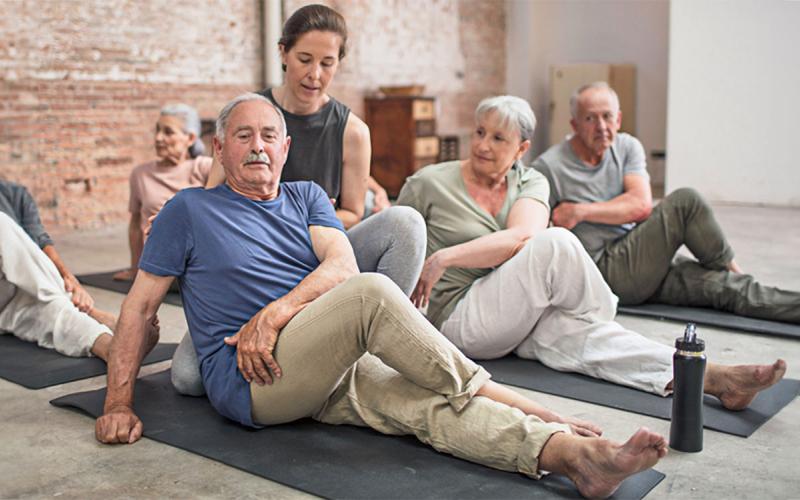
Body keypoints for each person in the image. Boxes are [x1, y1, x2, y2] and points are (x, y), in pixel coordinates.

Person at [95, 94, 669, 499]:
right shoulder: (189, 211)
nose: (258, 147)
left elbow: (340, 261)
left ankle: (570, 457)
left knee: (425, 408)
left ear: (286, 146)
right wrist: (118, 404)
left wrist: (276, 312)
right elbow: (140, 308)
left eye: (269, 135)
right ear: (219, 148)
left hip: (321, 359)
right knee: (373, 294)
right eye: (242, 136)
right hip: (255, 380)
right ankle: (528, 403)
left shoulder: (304, 197)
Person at [397, 95, 785, 408]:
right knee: (559, 243)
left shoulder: (530, 181)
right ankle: (601, 311)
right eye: (480, 132)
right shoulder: (430, 182)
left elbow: (521, 236)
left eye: (499, 138)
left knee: (595, 343)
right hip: (463, 318)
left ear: (521, 148)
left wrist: (445, 256)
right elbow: (397, 239)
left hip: (520, 312)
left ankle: (712, 378)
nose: (483, 145)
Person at [171, 3, 426, 396]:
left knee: (404, 223)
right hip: (250, 265)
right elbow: (211, 205)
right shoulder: (247, 116)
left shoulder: (352, 132)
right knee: (188, 379)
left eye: (327, 62)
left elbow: (353, 213)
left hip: (319, 254)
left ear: (339, 64)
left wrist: (297, 223)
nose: (315, 74)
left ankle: (366, 345)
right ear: (283, 53)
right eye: (304, 59)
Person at [533, 81, 800, 323]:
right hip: (606, 273)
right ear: (574, 125)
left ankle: (756, 286)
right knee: (686, 201)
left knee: (728, 288)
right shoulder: (550, 167)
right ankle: (734, 268)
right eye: (590, 118)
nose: (601, 127)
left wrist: (580, 211)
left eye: (607, 117)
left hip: (642, 255)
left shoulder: (627, 146)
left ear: (618, 119)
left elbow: (640, 206)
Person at [0, 180, 158, 359]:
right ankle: (91, 312)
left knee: (52, 311)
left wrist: (70, 280)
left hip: (13, 293)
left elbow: (39, 240)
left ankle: (112, 350)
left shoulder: (15, 192)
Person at [112, 104, 213, 282]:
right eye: (157, 130)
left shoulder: (204, 167)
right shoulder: (140, 173)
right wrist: (134, 268)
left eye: (168, 132)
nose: (158, 138)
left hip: (197, 264)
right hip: (157, 265)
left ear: (190, 138)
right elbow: (135, 225)